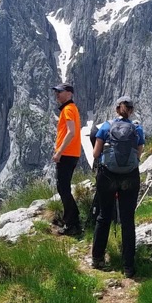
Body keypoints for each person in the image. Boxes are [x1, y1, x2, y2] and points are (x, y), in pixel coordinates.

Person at [91, 96, 145, 278]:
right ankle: (129, 266)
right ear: (131, 110)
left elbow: (96, 153)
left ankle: (97, 259)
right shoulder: (137, 129)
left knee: (103, 216)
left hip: (107, 176)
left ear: (117, 109)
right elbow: (138, 155)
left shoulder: (106, 127)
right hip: (130, 177)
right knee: (128, 220)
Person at [51, 82, 82, 236]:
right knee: (64, 188)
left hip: (67, 154)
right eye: (56, 92)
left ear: (69, 93)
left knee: (63, 188)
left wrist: (59, 152)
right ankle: (74, 220)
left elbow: (71, 132)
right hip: (71, 153)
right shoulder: (71, 108)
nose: (57, 94)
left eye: (60, 92)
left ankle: (72, 224)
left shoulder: (68, 109)